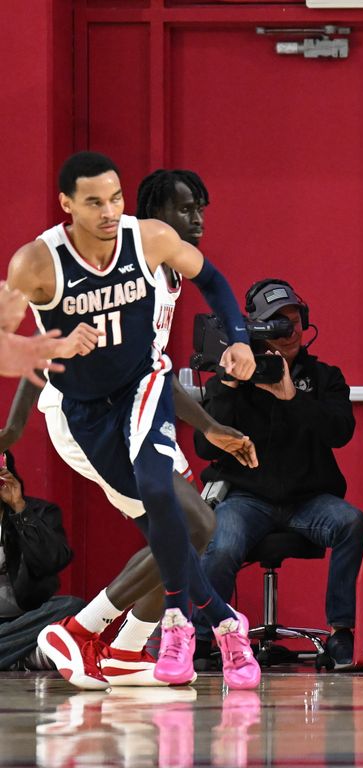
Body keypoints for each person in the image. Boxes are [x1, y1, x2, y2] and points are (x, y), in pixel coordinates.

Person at [5, 151, 261, 689]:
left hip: (138, 398)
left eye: (201, 210)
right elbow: (31, 357)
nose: (197, 221)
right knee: (189, 525)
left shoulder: (161, 261)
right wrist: (13, 427)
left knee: (188, 529)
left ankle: (123, 647)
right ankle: (82, 630)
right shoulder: (45, 262)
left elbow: (154, 367)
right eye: (185, 210)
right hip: (78, 415)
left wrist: (210, 425)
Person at [195, 278, 363, 670]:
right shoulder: (237, 374)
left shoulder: (325, 378)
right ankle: (203, 637)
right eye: (276, 323)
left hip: (308, 499)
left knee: (352, 523)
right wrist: (227, 387)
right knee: (220, 545)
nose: (288, 333)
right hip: (247, 497)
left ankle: (341, 633)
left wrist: (293, 398)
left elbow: (340, 432)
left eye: (293, 322)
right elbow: (205, 446)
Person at [0, 449, 84, 671]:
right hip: (17, 635)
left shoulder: (39, 512)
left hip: (26, 620)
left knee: (72, 606)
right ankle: (20, 657)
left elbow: (52, 561)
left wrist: (20, 511)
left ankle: (14, 656)